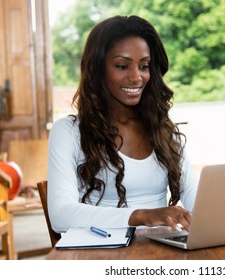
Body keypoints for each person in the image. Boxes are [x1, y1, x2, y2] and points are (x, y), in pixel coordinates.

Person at [47, 15, 198, 233]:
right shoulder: (69, 132)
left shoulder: (163, 131)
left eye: (144, 66)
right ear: (98, 69)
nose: (137, 77)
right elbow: (60, 215)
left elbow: (196, 199)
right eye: (121, 66)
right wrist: (142, 216)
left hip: (159, 252)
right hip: (100, 253)